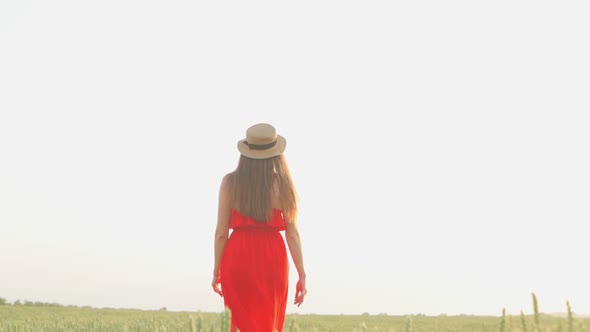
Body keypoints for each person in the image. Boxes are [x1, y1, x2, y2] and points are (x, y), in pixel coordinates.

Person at [211, 123, 307, 332]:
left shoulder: (229, 183)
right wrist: (302, 274)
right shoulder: (283, 186)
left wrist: (216, 270)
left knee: (237, 324)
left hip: (238, 257)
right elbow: (293, 234)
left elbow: (220, 234)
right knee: (268, 324)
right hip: (273, 260)